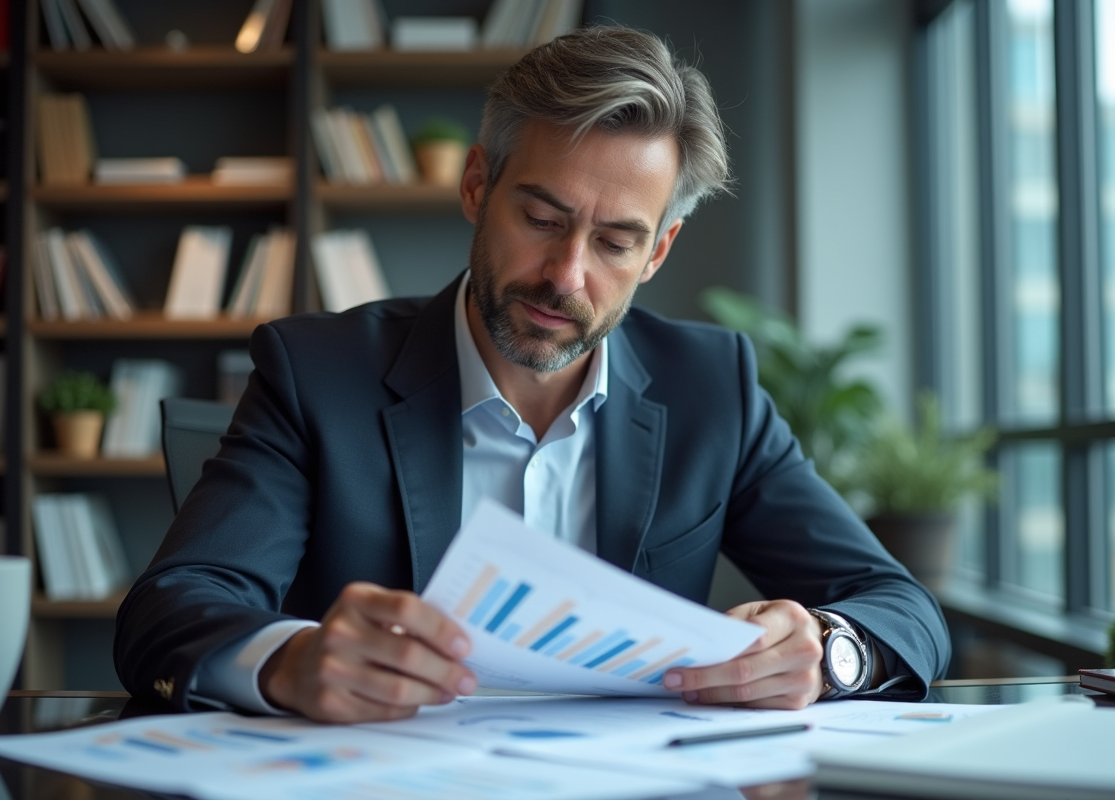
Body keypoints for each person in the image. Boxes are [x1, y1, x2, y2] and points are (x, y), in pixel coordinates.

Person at [115, 26, 950, 723]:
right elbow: (172, 605)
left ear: (658, 250)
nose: (566, 275)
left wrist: (828, 651)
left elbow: (898, 603)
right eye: (542, 218)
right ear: (479, 185)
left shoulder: (712, 386)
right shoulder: (317, 374)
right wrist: (287, 661)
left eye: (617, 241)